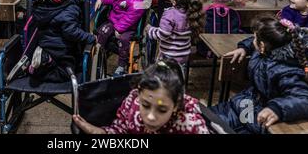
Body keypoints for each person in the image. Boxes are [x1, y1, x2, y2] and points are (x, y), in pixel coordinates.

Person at [211, 17, 308, 134]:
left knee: (209, 126)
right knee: (201, 120)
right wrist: (243, 48)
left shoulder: (284, 71)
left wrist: (277, 109)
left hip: (258, 118)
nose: (252, 41)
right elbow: (254, 41)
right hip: (246, 106)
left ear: (262, 46)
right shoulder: (270, 47)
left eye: (255, 38)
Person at [73, 60, 209, 134]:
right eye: (145, 105)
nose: (150, 117)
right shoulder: (132, 100)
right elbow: (121, 130)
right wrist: (97, 132)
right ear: (139, 93)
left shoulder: (192, 127)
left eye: (162, 110)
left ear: (176, 105)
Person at [29, 0, 96, 83]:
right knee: (65, 74)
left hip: (44, 44)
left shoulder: (41, 4)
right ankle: (43, 67)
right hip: (62, 50)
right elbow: (72, 32)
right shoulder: (69, 10)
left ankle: (45, 61)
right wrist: (90, 37)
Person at [95, 0, 146, 76]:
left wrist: (119, 29)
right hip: (113, 21)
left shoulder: (138, 1)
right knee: (103, 31)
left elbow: (130, 18)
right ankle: (99, 55)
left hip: (129, 27)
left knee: (123, 39)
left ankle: (121, 65)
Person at [145, 0, 204, 69]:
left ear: (174, 1)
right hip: (184, 56)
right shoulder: (192, 13)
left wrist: (150, 30)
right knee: (178, 77)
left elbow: (163, 34)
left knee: (166, 80)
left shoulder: (169, 14)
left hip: (169, 57)